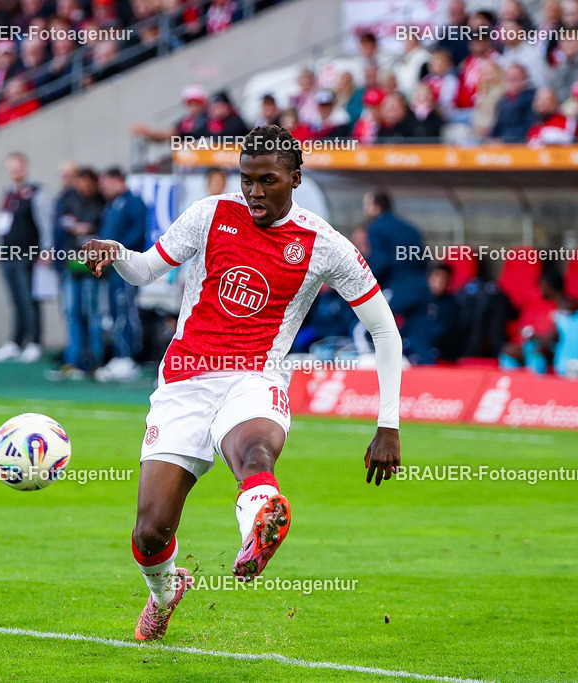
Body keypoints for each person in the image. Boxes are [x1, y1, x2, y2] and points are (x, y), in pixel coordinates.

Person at [83, 125, 403, 642]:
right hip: (185, 380)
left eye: (267, 181)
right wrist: (116, 251)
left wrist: (387, 425)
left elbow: (384, 329)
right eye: (247, 179)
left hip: (256, 377)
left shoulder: (324, 245)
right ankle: (165, 592)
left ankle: (257, 530)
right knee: (150, 531)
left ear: (295, 179)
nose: (254, 192)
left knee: (255, 453)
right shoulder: (210, 215)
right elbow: (145, 270)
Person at [0, 152, 47, 364]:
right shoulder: (8, 194)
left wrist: (46, 248)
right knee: (15, 300)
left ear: (25, 167)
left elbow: (44, 221)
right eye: (11, 168)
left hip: (28, 254)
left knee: (29, 299)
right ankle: (16, 341)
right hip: (8, 255)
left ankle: (34, 341)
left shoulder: (35, 193)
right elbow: (2, 224)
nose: (14, 171)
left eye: (18, 167)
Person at [52, 167, 105, 379]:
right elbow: (62, 222)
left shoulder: (102, 202)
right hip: (71, 265)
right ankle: (73, 359)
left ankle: (94, 360)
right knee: (72, 313)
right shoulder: (69, 198)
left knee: (93, 313)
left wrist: (89, 229)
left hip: (92, 266)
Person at [95, 167, 147, 382]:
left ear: (117, 180)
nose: (103, 189)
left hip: (126, 266)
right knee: (115, 312)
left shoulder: (134, 203)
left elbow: (137, 232)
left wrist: (118, 252)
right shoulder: (112, 205)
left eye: (106, 184)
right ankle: (119, 354)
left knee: (126, 310)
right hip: (112, 267)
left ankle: (129, 357)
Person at [363, 191, 431, 319]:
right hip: (422, 288)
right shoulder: (410, 228)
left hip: (397, 288)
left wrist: (363, 282)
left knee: (361, 328)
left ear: (377, 206)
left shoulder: (377, 229)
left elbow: (380, 262)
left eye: (366, 205)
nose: (364, 209)